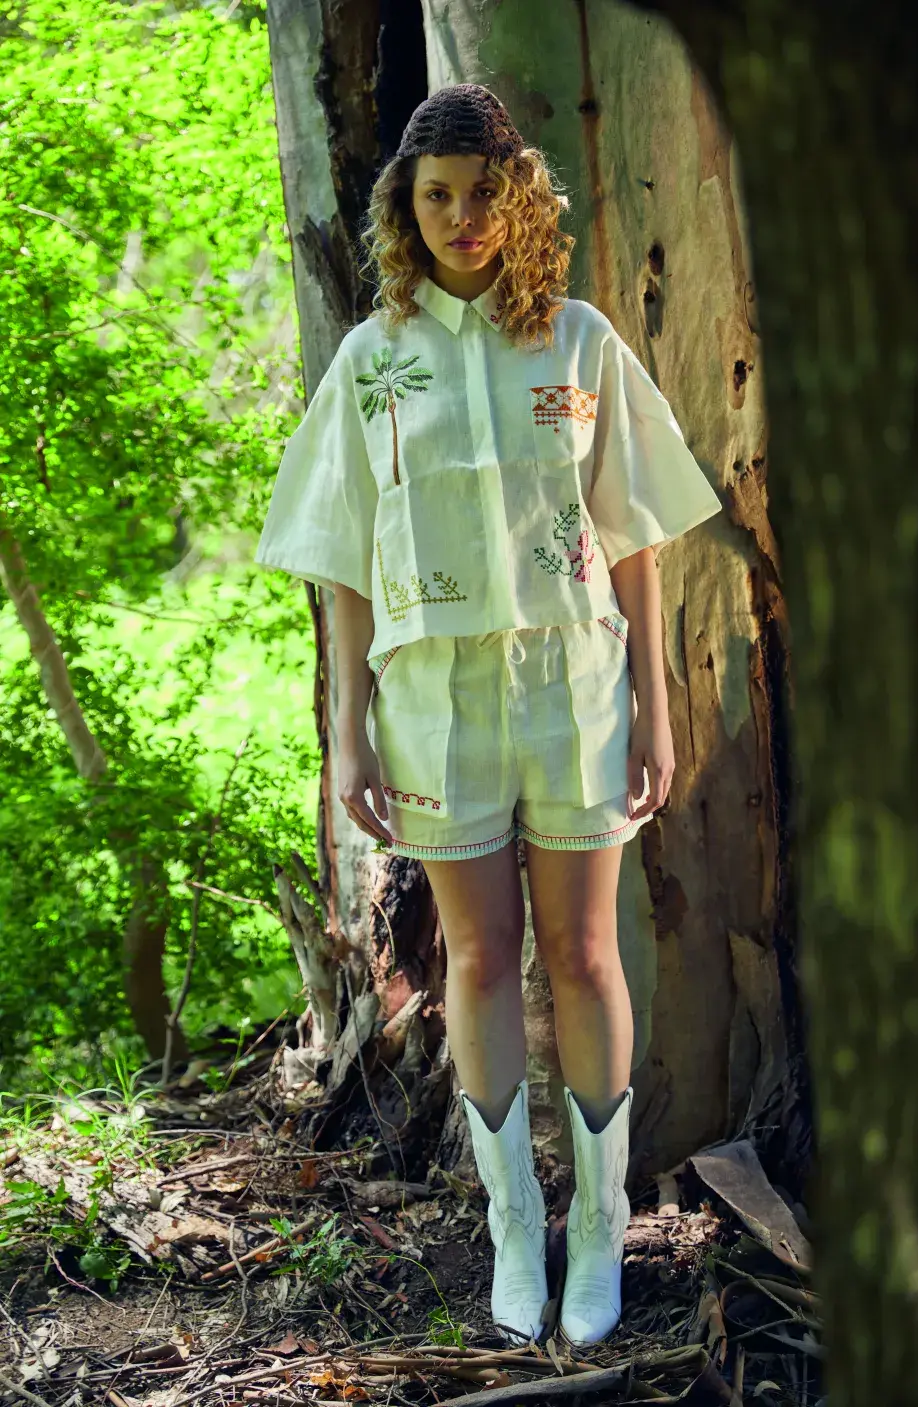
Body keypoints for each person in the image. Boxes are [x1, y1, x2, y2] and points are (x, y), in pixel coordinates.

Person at [254, 84, 721, 1349]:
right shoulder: (373, 359)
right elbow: (341, 561)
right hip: (432, 698)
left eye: (482, 191)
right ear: (408, 210)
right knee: (473, 959)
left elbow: (635, 544)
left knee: (582, 957)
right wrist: (347, 728)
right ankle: (517, 1225)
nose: (463, 218)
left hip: (574, 686)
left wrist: (653, 711)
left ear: (520, 197)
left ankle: (597, 1234)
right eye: (436, 196)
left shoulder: (579, 342)